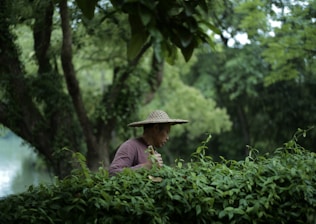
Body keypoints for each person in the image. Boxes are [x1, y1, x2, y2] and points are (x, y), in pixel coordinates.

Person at [109, 110, 188, 175]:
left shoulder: (154, 153)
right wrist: (145, 167)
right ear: (156, 128)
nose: (168, 138)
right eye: (167, 132)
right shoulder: (131, 146)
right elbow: (113, 173)